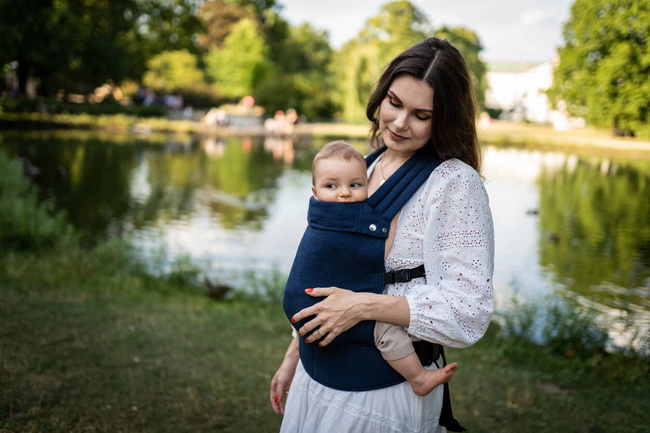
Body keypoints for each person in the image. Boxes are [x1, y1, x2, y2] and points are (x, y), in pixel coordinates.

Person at [271, 37, 494, 433]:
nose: (399, 122)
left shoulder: (455, 184)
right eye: (394, 102)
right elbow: (330, 271)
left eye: (421, 115)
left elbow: (467, 310)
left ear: (444, 119)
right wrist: (295, 355)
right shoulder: (361, 169)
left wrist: (362, 307)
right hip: (318, 374)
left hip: (383, 392)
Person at [309, 139, 459, 396]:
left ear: (368, 185)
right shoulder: (327, 219)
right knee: (386, 330)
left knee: (385, 329)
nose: (344, 193)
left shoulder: (344, 212)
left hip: (344, 308)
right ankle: (419, 378)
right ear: (314, 192)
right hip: (328, 315)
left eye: (355, 185)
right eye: (331, 186)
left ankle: (417, 377)